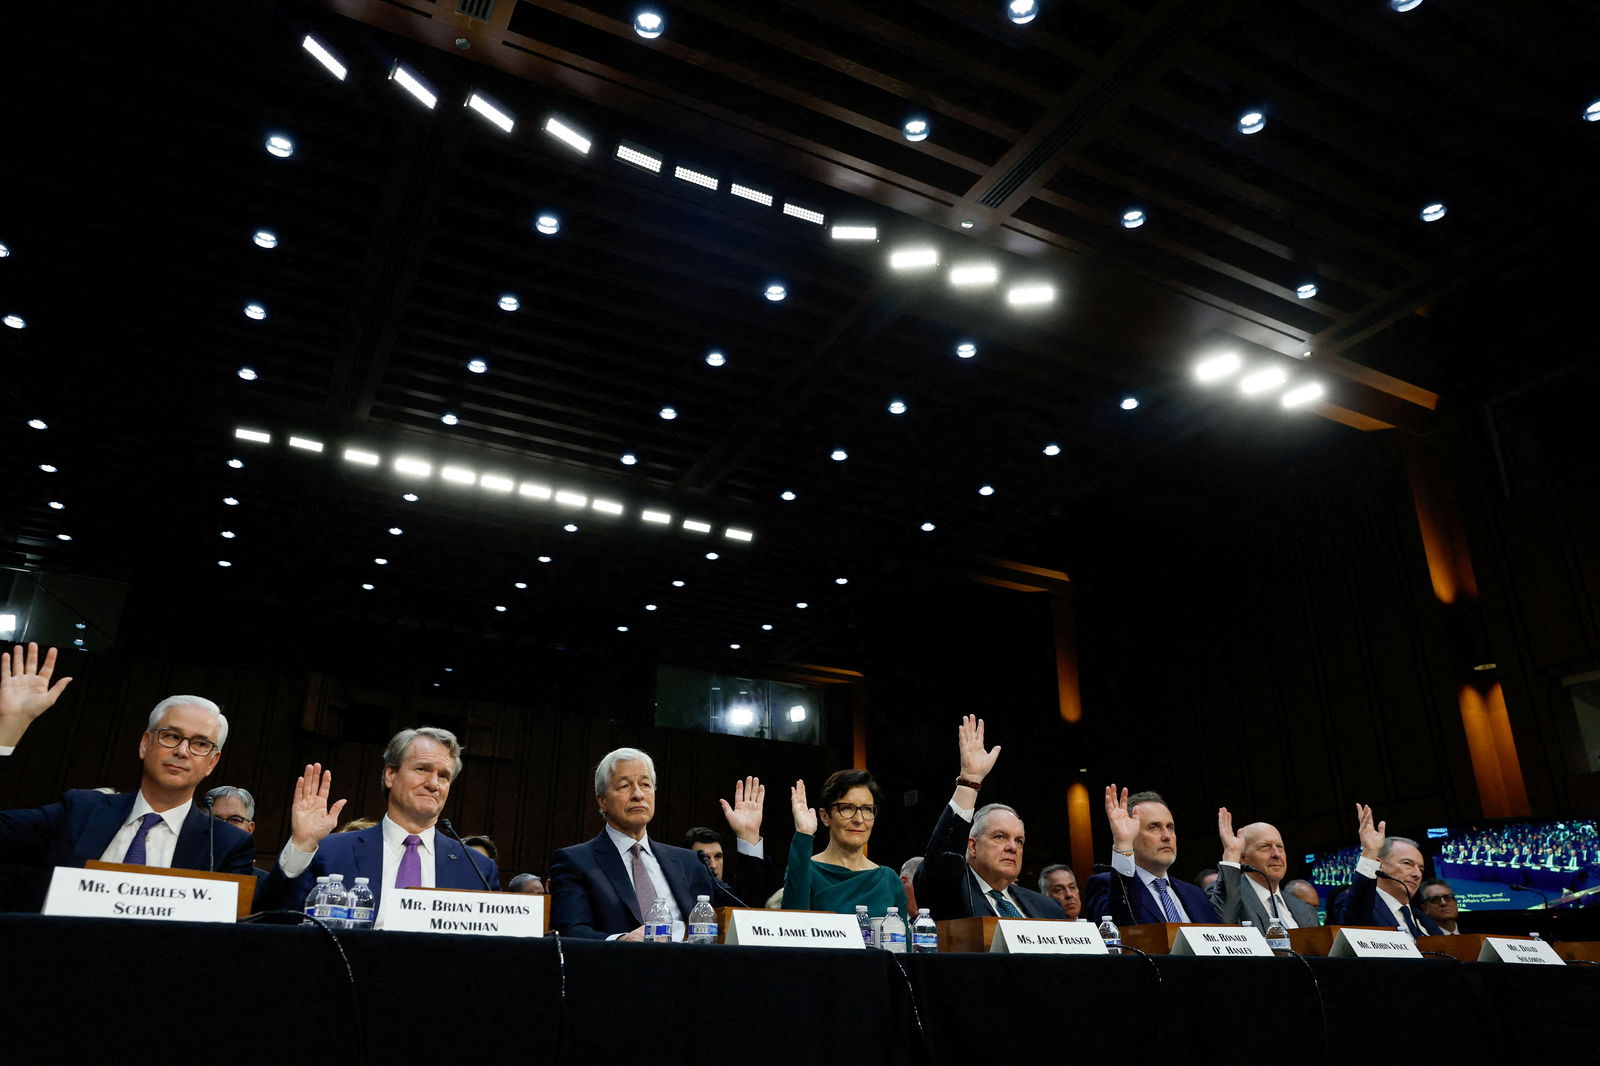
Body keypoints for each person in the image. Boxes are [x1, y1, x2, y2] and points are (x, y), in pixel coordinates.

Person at [0, 643, 255, 905]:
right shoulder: (79, 811)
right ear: (145, 744)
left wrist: (301, 848)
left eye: (200, 744)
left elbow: (262, 919)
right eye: (171, 736)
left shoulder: (225, 844)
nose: (182, 751)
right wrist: (7, 729)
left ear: (212, 762)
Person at [258, 726, 498, 915]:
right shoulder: (331, 852)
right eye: (422, 769)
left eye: (443, 776)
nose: (434, 784)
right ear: (390, 774)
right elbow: (274, 919)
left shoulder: (477, 869)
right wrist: (302, 845)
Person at [549, 748, 767, 940]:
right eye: (624, 786)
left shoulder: (689, 862)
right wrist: (621, 941)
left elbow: (744, 912)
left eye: (645, 784)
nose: (638, 795)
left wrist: (748, 837)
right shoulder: (576, 862)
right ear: (602, 800)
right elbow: (571, 931)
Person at [912, 716, 1059, 920]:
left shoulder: (1048, 908)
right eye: (1000, 836)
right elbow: (942, 859)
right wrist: (969, 782)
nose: (1012, 847)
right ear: (972, 847)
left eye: (1019, 841)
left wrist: (1122, 843)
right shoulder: (951, 892)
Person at [784, 769, 907, 915]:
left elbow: (902, 937)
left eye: (867, 809)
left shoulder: (889, 880)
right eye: (847, 808)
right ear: (825, 816)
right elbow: (792, 928)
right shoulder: (806, 870)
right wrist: (804, 833)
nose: (859, 819)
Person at [1085, 786, 1212, 925]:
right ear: (1130, 834)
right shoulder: (1104, 886)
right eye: (1154, 827)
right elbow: (1120, 928)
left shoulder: (1196, 895)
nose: (1167, 836)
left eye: (1170, 827)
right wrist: (1123, 844)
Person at [1331, 804, 1441, 935]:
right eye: (1407, 863)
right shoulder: (1360, 905)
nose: (1417, 874)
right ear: (1379, 865)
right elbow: (1355, 923)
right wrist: (1370, 852)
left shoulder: (1422, 918)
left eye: (1421, 869)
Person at [1209, 808, 1319, 928]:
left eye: (1280, 846)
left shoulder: (1305, 909)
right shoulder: (1228, 896)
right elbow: (1222, 926)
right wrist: (1231, 854)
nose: (1276, 854)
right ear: (1242, 857)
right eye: (1265, 846)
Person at [205, 784, 269, 880]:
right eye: (215, 819)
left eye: (235, 820)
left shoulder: (265, 883)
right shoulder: (181, 868)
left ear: (249, 829)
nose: (224, 827)